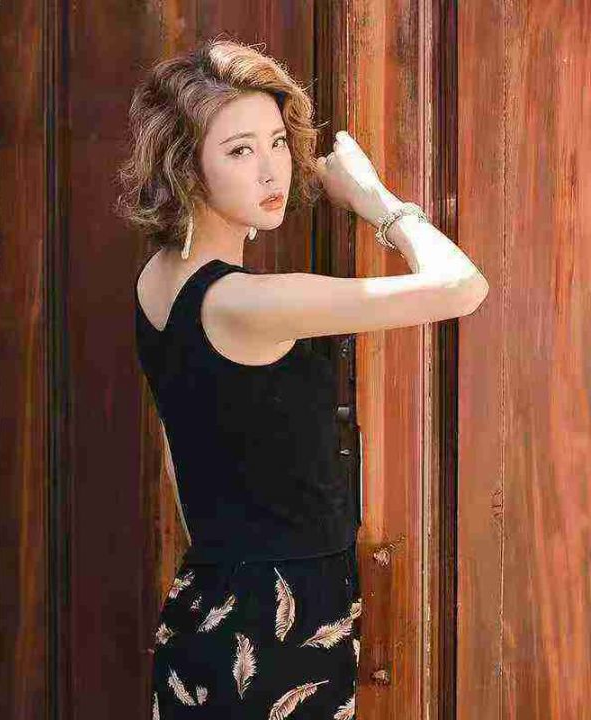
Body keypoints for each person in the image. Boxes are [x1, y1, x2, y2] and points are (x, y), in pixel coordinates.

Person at [116, 38, 488, 720]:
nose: (271, 170)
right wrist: (378, 201)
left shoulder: (158, 280)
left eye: (277, 143)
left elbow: (184, 449)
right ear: (186, 167)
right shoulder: (250, 304)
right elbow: (462, 287)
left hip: (210, 611)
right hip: (275, 637)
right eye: (239, 150)